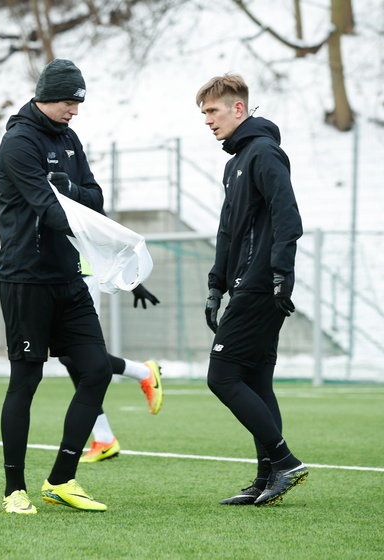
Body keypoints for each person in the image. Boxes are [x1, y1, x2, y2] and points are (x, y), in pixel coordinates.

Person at [0, 59, 144, 514]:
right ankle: (14, 490)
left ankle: (61, 479)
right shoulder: (17, 143)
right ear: (46, 96)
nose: (74, 111)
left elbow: (94, 199)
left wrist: (67, 189)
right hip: (26, 279)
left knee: (97, 369)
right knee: (27, 378)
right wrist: (66, 194)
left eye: (78, 103)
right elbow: (49, 209)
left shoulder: (69, 138)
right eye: (67, 102)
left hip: (69, 276)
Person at [196, 73, 307, 507]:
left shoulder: (264, 153)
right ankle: (267, 479)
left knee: (222, 376)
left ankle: (285, 462)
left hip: (261, 285)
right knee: (257, 382)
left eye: (212, 111)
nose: (207, 120)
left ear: (237, 108)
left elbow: (287, 216)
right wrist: (214, 286)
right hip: (244, 283)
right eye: (203, 112)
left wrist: (281, 274)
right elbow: (229, 231)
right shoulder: (234, 162)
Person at [61, 259, 162, 463]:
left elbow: (106, 239)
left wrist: (134, 282)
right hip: (56, 280)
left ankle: (143, 372)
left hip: (79, 279)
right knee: (70, 358)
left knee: (79, 354)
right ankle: (104, 439)